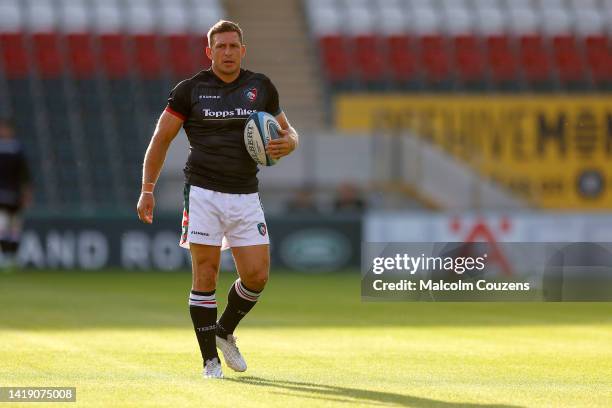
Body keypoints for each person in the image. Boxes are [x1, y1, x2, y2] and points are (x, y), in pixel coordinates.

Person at [136, 20, 298, 379]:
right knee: (205, 273)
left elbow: (288, 132)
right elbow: (160, 139)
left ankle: (224, 331)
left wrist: (291, 142)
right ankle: (210, 360)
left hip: (245, 193)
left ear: (243, 50)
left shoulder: (261, 87)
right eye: (220, 47)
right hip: (203, 193)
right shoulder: (190, 90)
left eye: (233, 46)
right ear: (209, 52)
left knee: (257, 276)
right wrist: (147, 189)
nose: (227, 52)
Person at [0, 118, 32, 270]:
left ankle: (11, 256)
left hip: (14, 194)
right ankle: (4, 255)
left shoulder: (17, 149)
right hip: (4, 194)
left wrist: (26, 193)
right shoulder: (17, 148)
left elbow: (24, 174)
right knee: (3, 224)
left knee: (14, 227)